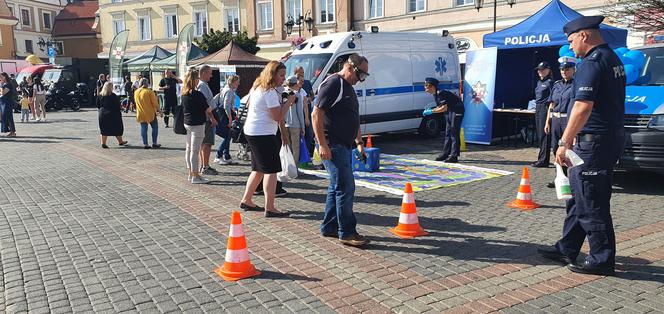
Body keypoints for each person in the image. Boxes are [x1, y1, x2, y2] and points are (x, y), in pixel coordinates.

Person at [538, 16, 626, 276]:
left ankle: (601, 259)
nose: (571, 47)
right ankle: (567, 247)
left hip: (594, 143)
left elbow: (583, 106)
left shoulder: (591, 62)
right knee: (579, 198)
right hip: (604, 140)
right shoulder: (612, 58)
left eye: (571, 41)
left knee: (591, 202)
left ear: (584, 36)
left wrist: (564, 142)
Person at [313, 54, 371, 247]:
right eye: (360, 75)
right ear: (349, 67)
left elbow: (353, 116)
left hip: (343, 145)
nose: (360, 80)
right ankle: (347, 232)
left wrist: (359, 143)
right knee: (346, 187)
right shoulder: (334, 83)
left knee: (336, 187)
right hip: (333, 144)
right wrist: (322, 144)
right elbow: (316, 114)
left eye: (364, 77)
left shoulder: (348, 87)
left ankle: (329, 226)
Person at [240, 61, 296, 218]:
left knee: (258, 169)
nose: (283, 79)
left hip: (253, 131)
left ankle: (247, 200)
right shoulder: (269, 91)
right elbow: (278, 116)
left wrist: (284, 101)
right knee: (271, 170)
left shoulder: (258, 86)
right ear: (272, 74)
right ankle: (270, 207)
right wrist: (289, 103)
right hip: (262, 133)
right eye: (281, 75)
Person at [544, 57, 576, 188]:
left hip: (568, 120)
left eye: (567, 69)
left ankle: (574, 179)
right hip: (556, 119)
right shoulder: (557, 85)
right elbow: (552, 104)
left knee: (570, 150)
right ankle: (560, 177)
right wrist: (547, 121)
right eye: (562, 69)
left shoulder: (577, 85)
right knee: (556, 149)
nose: (564, 71)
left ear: (573, 70)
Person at [182, 69, 217, 184]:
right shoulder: (197, 94)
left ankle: (191, 173)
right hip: (197, 124)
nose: (198, 80)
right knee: (195, 151)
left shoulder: (184, 93)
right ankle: (195, 176)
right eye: (197, 78)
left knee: (189, 149)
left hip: (187, 122)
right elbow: (208, 108)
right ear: (194, 79)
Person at [422, 77, 465, 163]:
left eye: (427, 86)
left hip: (457, 110)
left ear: (432, 86)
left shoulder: (441, 93)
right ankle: (445, 153)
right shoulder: (435, 94)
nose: (425, 88)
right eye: (425, 85)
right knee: (448, 132)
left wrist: (431, 111)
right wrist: (432, 109)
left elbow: (444, 108)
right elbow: (441, 106)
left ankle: (454, 156)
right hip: (450, 111)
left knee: (454, 133)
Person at [196, 65, 220, 175]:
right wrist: (212, 118)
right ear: (204, 73)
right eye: (210, 73)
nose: (211, 76)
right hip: (207, 119)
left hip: (205, 118)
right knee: (207, 143)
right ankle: (205, 166)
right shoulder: (202, 86)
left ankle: (204, 165)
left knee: (204, 143)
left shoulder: (202, 85)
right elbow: (204, 104)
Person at [213, 75, 240, 165]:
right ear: (233, 82)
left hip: (222, 114)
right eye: (237, 82)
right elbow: (226, 106)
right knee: (227, 136)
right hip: (224, 116)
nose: (238, 84)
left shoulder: (225, 89)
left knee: (227, 135)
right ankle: (218, 155)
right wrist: (230, 118)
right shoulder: (229, 91)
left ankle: (226, 155)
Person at [533, 61, 554, 168]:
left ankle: (544, 160)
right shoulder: (538, 82)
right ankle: (541, 158)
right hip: (538, 107)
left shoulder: (550, 82)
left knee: (544, 135)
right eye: (539, 70)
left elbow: (552, 99)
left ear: (548, 70)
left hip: (545, 108)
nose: (540, 71)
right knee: (540, 134)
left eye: (542, 69)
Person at [284, 75, 309, 164]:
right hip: (295, 124)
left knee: (288, 146)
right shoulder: (297, 95)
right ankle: (294, 168)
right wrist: (303, 127)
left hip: (285, 124)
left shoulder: (283, 94)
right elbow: (299, 113)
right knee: (296, 147)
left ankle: (287, 166)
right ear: (295, 84)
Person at [97, 82, 127, 148]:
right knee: (117, 128)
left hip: (102, 114)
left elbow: (98, 105)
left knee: (104, 129)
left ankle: (103, 143)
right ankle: (120, 141)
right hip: (113, 114)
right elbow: (117, 105)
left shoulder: (100, 95)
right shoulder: (113, 95)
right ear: (110, 87)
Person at [134, 78, 162, 149]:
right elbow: (155, 103)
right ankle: (154, 143)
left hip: (141, 113)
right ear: (147, 83)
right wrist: (160, 111)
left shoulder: (136, 92)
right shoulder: (149, 91)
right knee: (155, 127)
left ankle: (145, 144)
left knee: (143, 128)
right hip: (150, 113)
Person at [294, 65, 315, 154]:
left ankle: (306, 154)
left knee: (309, 134)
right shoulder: (293, 83)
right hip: (297, 115)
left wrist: (309, 99)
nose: (302, 75)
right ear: (295, 74)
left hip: (307, 114)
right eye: (300, 73)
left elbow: (312, 95)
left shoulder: (307, 83)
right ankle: (300, 156)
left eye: (303, 73)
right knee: (298, 136)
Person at [0, 72, 17, 137]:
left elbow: (3, 92)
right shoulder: (4, 84)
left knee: (9, 117)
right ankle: (10, 130)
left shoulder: (8, 84)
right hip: (3, 102)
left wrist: (1, 86)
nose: (0, 78)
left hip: (7, 103)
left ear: (4, 77)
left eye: (1, 76)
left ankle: (13, 131)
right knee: (4, 117)